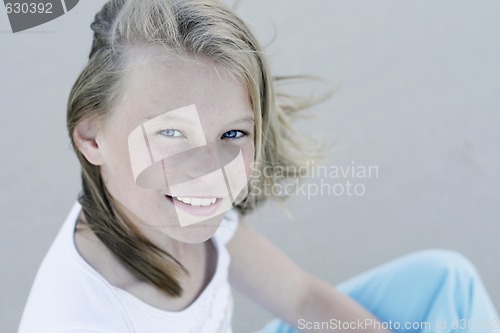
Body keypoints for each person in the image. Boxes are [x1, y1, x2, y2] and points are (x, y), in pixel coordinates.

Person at [18, 0, 499, 332]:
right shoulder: (82, 318)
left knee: (444, 281)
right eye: (170, 134)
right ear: (90, 136)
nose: (209, 169)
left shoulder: (180, 211)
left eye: (232, 134)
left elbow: (303, 300)